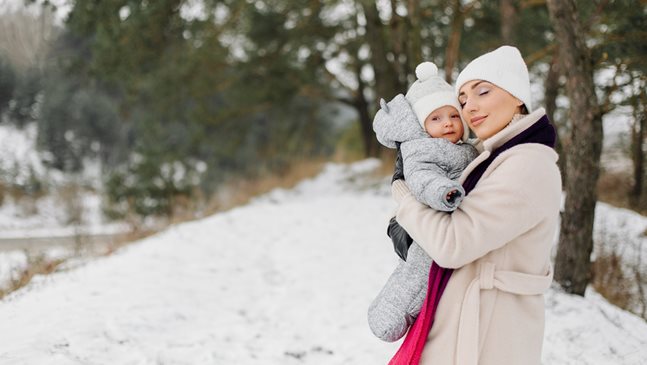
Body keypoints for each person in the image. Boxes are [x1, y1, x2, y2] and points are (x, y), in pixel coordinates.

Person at [388, 45, 561, 365]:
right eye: (463, 99)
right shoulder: (495, 158)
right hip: (471, 322)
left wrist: (407, 202)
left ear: (518, 96)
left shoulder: (526, 166)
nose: (470, 107)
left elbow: (453, 243)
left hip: (489, 335)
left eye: (483, 92)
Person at [369, 62, 478, 342]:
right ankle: (390, 315)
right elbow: (422, 178)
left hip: (447, 224)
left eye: (454, 116)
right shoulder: (420, 150)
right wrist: (444, 192)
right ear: (423, 125)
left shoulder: (466, 148)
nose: (447, 124)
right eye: (436, 118)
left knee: (425, 278)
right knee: (417, 274)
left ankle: (412, 314)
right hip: (432, 215)